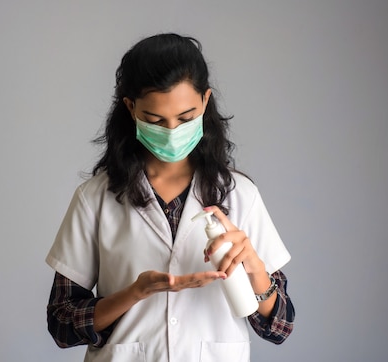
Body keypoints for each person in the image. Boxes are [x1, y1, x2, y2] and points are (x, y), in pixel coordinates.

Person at [45, 33, 295, 362]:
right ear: (131, 108)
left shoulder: (240, 195)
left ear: (205, 102)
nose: (173, 131)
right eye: (155, 120)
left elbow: (278, 327)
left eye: (186, 118)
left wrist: (254, 267)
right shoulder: (96, 198)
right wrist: (136, 293)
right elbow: (62, 323)